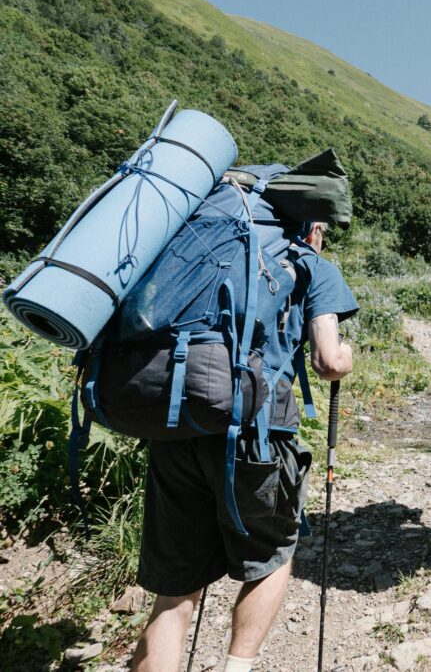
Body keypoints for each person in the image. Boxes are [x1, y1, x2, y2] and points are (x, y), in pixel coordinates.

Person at [130, 221, 357, 672]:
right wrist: (345, 357)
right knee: (269, 559)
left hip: (177, 425)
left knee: (174, 593)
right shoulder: (312, 264)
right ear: (312, 225)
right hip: (256, 434)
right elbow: (328, 361)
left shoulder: (194, 248)